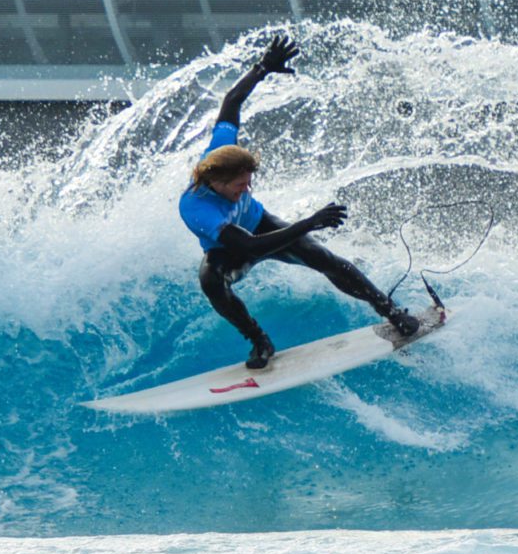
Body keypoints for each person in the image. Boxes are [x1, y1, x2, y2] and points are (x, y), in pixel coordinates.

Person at [179, 35, 421, 370]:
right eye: (239, 185)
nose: (246, 189)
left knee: (322, 257)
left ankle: (391, 311)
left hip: (259, 223)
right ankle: (259, 340)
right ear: (216, 182)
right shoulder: (195, 207)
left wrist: (262, 68)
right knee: (211, 282)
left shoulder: (222, 148)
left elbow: (232, 101)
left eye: (249, 182)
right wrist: (310, 222)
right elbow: (248, 247)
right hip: (230, 247)